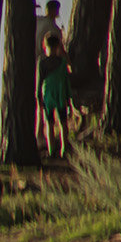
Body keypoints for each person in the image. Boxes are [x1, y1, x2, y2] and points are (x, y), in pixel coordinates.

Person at [37, 30, 72, 159]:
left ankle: (51, 151)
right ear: (58, 46)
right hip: (61, 95)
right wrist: (69, 97)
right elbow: (67, 78)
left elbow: (39, 82)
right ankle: (64, 149)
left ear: (44, 46)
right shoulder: (62, 63)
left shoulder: (42, 62)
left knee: (49, 123)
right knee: (63, 123)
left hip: (47, 96)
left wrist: (38, 97)